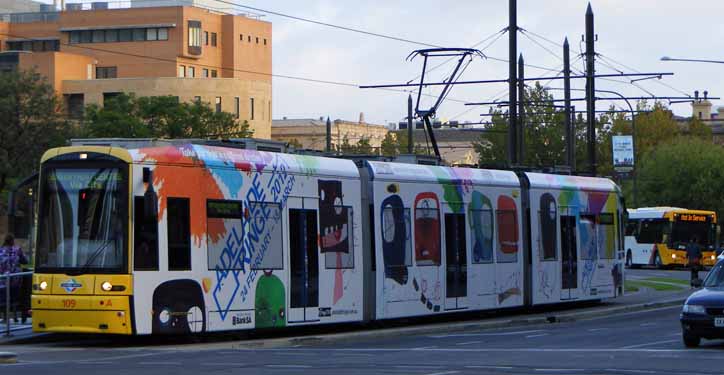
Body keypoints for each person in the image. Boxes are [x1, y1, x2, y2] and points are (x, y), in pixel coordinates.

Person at [0, 234, 28, 323]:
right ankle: (15, 316)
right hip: (16, 278)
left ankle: (5, 318)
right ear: (13, 241)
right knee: (15, 297)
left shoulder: (0, 250)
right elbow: (25, 261)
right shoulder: (17, 249)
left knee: (4, 297)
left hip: (3, 279)